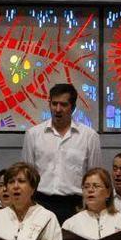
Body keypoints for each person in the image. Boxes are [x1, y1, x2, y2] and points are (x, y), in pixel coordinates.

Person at [22, 83, 101, 224]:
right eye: (54, 104)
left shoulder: (89, 136)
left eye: (63, 105)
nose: (58, 109)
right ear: (49, 104)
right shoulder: (33, 134)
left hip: (75, 205)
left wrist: (89, 207)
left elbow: (95, 176)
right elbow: (27, 175)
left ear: (73, 108)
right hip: (41, 202)